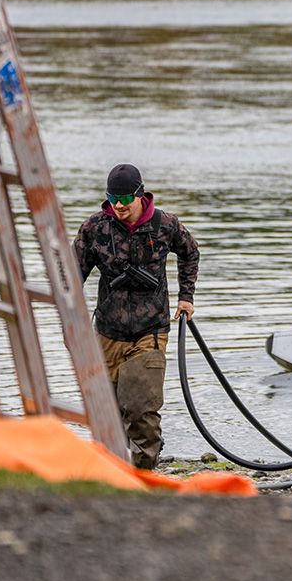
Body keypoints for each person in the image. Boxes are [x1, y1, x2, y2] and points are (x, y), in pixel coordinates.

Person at [72, 163, 199, 469]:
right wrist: (70, 313)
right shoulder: (95, 228)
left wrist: (186, 297)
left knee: (141, 406)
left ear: (140, 195)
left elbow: (190, 252)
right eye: (113, 197)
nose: (118, 205)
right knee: (108, 409)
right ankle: (109, 469)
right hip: (106, 330)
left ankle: (144, 471)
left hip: (150, 330)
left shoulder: (165, 224)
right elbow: (73, 272)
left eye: (125, 198)